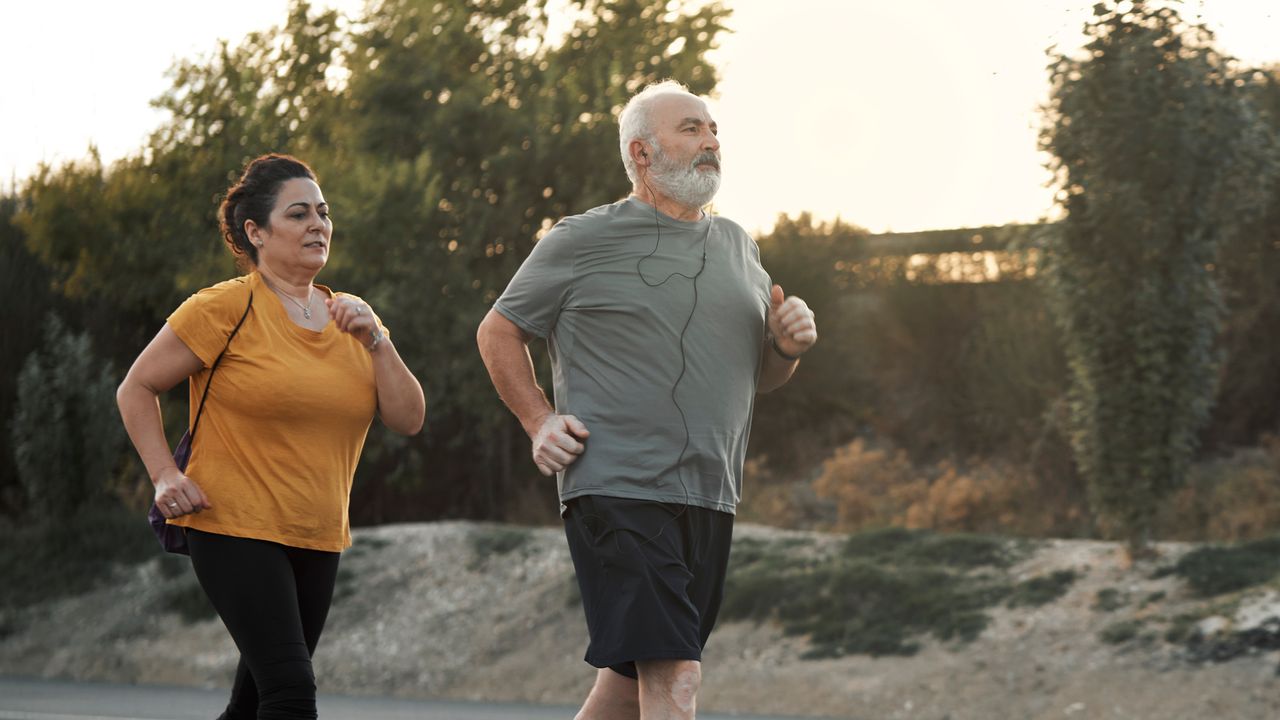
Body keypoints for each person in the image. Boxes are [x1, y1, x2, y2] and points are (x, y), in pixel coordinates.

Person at [476, 80, 817, 720]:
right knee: (675, 676)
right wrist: (538, 420)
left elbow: (762, 377)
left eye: (714, 131)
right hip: (618, 485)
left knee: (629, 683)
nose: (711, 142)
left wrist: (786, 347)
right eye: (691, 129)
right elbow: (498, 330)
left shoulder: (741, 248)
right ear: (640, 154)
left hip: (711, 493)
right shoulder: (580, 240)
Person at [116, 153, 425, 719]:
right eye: (300, 213)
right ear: (255, 232)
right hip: (232, 525)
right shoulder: (223, 307)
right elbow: (136, 387)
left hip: (317, 534)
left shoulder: (352, 317)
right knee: (290, 695)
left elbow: (408, 418)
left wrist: (378, 341)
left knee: (254, 701)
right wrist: (165, 475)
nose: (318, 225)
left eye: (324, 213)